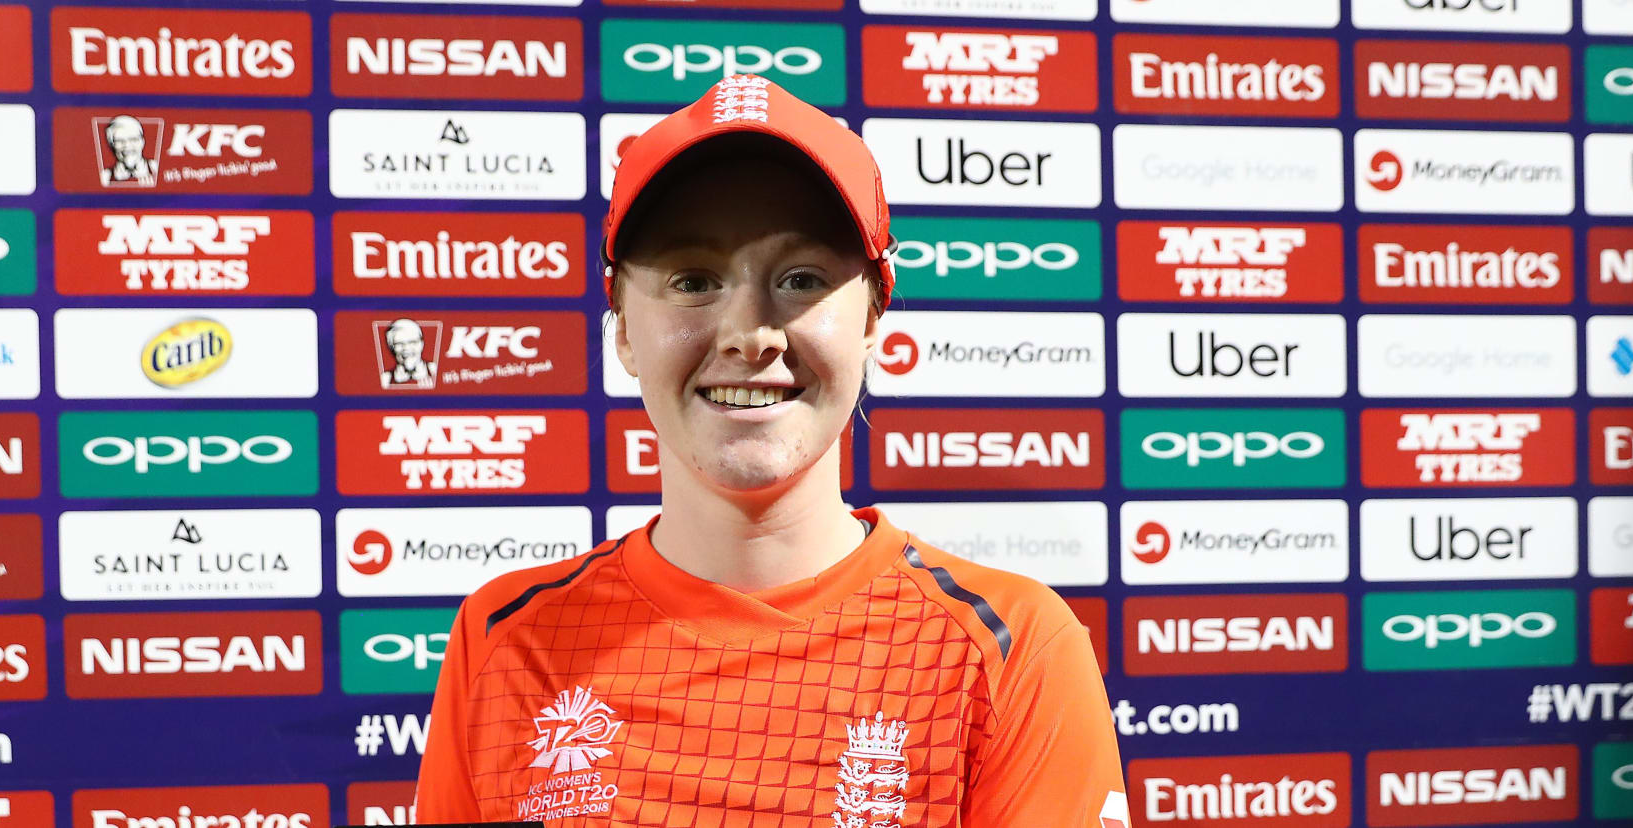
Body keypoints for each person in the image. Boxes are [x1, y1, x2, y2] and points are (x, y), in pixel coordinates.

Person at [415, 74, 1127, 827]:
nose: (748, 332)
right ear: (622, 327)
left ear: (873, 319)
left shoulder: (1011, 652)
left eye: (801, 278)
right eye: (693, 280)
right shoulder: (505, 639)